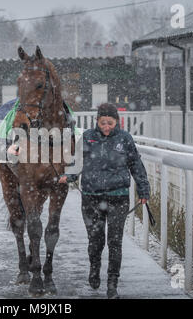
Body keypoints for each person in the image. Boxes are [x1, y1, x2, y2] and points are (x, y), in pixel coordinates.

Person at [58, 103, 150, 299]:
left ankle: (112, 283)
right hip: (91, 197)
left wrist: (143, 190)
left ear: (116, 122)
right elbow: (77, 162)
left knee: (115, 241)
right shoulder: (88, 138)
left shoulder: (125, 139)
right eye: (102, 122)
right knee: (95, 240)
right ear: (97, 121)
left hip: (118, 197)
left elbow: (136, 165)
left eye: (110, 123)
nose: (106, 126)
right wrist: (69, 176)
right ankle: (94, 266)